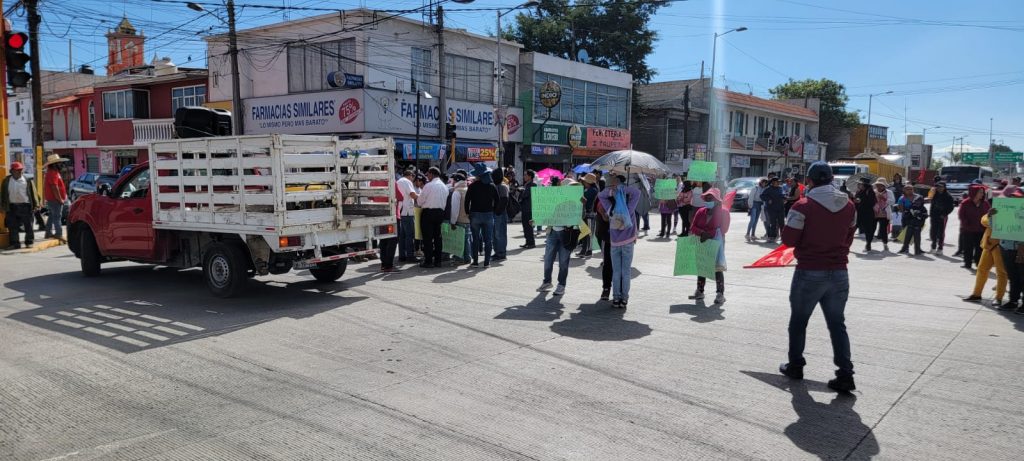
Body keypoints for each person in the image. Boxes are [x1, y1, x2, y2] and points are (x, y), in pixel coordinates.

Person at [779, 161, 858, 393]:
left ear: (810, 181)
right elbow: (850, 235)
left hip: (810, 271)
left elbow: (789, 240)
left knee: (799, 321)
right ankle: (845, 374)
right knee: (837, 324)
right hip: (840, 272)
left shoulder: (803, 206)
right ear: (832, 179)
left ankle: (796, 365)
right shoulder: (849, 206)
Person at [964, 188, 1015, 305]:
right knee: (982, 269)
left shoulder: (1014, 212)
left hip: (1001, 246)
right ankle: (976, 294)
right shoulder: (995, 210)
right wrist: (989, 215)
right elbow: (983, 221)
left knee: (1001, 273)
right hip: (988, 245)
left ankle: (998, 298)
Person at [598, 174, 641, 308]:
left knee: (616, 271)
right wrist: (623, 189)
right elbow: (637, 192)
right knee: (626, 271)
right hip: (628, 242)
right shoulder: (629, 209)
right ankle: (624, 299)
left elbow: (601, 195)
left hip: (614, 243)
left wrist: (613, 190)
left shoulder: (611, 209)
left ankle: (616, 298)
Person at [538, 180, 580, 296]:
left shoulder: (578, 201)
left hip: (567, 234)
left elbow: (581, 217)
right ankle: (547, 281)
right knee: (548, 259)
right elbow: (549, 213)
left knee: (563, 262)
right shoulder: (556, 199)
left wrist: (583, 205)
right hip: (552, 232)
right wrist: (538, 220)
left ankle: (561, 285)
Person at [688, 188, 730, 304]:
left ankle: (720, 294)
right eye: (706, 198)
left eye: (710, 198)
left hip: (717, 244)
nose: (707, 200)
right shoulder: (701, 211)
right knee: (702, 267)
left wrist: (709, 234)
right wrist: (702, 233)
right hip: (702, 241)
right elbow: (693, 226)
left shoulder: (724, 212)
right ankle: (700, 291)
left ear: (717, 200)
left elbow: (724, 229)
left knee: (717, 268)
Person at [465, 164, 498, 267]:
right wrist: (493, 210)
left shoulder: (472, 186)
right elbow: (498, 200)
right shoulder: (492, 186)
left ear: (477, 175)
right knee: (488, 240)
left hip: (475, 215)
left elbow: (467, 201)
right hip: (488, 215)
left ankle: (475, 262)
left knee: (475, 239)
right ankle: (486, 262)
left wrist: (467, 212)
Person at [1, 162, 39, 250]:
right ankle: (15, 243)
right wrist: (2, 207)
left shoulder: (27, 180)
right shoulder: (6, 181)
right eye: (17, 170)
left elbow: (34, 193)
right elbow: (2, 194)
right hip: (11, 206)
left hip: (25, 206)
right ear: (12, 171)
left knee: (28, 225)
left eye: (21, 170)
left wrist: (36, 204)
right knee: (12, 226)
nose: (19, 172)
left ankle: (29, 242)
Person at [416, 167, 447, 268]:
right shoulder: (444, 186)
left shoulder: (428, 186)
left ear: (432, 174)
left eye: (428, 174)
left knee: (427, 238)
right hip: (440, 213)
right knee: (438, 237)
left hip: (428, 213)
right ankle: (438, 261)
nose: (427, 176)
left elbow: (420, 201)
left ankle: (428, 261)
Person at [958, 184, 990, 270]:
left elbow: (988, 215)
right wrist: (966, 224)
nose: (982, 194)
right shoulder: (965, 203)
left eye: (983, 193)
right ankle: (967, 263)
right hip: (968, 230)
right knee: (968, 247)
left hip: (981, 230)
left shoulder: (985, 204)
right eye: (980, 192)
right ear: (974, 192)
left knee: (979, 248)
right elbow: (961, 215)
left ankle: (978, 263)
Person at [42, 154, 69, 242]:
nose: (60, 164)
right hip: (54, 199)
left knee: (52, 216)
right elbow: (54, 187)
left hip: (53, 199)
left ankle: (48, 233)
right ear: (54, 164)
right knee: (57, 216)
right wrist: (60, 199)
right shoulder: (52, 173)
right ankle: (59, 234)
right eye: (58, 163)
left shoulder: (54, 172)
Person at [896, 185, 928, 255]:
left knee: (917, 234)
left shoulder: (918, 197)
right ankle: (905, 248)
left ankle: (918, 249)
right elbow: (901, 210)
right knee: (906, 234)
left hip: (918, 219)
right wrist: (909, 212)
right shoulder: (902, 198)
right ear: (904, 190)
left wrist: (918, 213)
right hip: (907, 218)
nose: (909, 190)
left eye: (911, 189)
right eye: (907, 189)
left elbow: (922, 206)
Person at [448, 172, 472, 264]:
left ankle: (460, 258)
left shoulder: (457, 192)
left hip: (459, 220)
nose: (452, 181)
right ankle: (467, 257)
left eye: (453, 179)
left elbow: (455, 209)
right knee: (467, 240)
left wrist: (453, 222)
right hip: (467, 219)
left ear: (457, 180)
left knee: (459, 240)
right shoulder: (467, 189)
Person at [396, 167, 418, 263]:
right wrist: (422, 197)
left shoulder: (399, 180)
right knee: (410, 235)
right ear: (411, 176)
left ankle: (402, 255)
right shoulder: (407, 181)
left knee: (402, 236)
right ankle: (410, 256)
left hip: (401, 210)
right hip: (407, 211)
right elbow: (413, 194)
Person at [928, 182, 955, 254]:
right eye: (938, 187)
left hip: (942, 217)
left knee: (941, 232)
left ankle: (940, 248)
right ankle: (933, 247)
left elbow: (951, 207)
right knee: (933, 232)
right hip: (934, 216)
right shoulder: (935, 195)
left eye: (941, 187)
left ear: (944, 187)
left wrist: (944, 214)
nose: (939, 188)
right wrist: (931, 214)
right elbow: (932, 205)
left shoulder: (948, 196)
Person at [595, 193, 613, 301]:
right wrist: (602, 212)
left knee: (620, 267)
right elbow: (598, 210)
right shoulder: (603, 197)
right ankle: (606, 288)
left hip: (622, 239)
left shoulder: (625, 197)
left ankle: (620, 293)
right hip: (608, 237)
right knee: (607, 264)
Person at [577, 173, 599, 257]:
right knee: (585, 233)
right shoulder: (589, 189)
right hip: (586, 214)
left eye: (584, 181)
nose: (583, 182)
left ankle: (588, 251)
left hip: (590, 214)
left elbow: (583, 199)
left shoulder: (592, 190)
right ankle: (584, 250)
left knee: (588, 233)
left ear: (588, 182)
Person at [491, 168, 510, 261]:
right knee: (495, 234)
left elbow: (504, 200)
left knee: (500, 233)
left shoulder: (502, 186)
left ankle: (501, 253)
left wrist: (497, 211)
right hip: (496, 213)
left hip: (500, 213)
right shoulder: (497, 185)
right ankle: (497, 252)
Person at [853, 177, 877, 252]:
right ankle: (846, 242)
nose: (859, 185)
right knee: (853, 227)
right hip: (859, 213)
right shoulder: (858, 192)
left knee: (868, 230)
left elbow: (872, 203)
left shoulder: (870, 192)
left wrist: (861, 201)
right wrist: (855, 201)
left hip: (868, 213)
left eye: (860, 184)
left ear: (865, 185)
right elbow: (855, 201)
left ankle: (868, 244)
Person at [761, 177, 786, 243]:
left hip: (780, 208)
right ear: (773, 182)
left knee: (782, 223)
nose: (778, 183)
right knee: (773, 223)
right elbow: (762, 196)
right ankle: (772, 237)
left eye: (779, 182)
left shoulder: (780, 188)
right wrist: (768, 199)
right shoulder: (768, 189)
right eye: (777, 182)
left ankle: (783, 238)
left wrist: (785, 198)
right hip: (772, 209)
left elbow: (783, 195)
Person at [872, 178, 894, 252]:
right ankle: (868, 244)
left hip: (884, 213)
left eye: (881, 185)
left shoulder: (889, 192)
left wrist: (884, 198)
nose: (879, 187)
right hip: (874, 212)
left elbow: (892, 202)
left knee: (883, 230)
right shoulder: (874, 192)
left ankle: (885, 244)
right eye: (877, 185)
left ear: (884, 186)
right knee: (872, 228)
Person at [519, 170, 537, 249]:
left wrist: (521, 191)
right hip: (525, 208)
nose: (524, 176)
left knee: (529, 226)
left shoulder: (532, 185)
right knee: (525, 226)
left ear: (530, 176)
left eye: (525, 175)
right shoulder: (527, 185)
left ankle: (531, 243)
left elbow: (525, 195)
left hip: (529, 209)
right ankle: (527, 242)